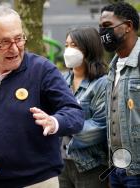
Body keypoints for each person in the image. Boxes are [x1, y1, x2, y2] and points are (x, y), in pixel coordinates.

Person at [0, 5, 84, 188]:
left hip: (37, 182)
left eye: (19, 39)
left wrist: (54, 122)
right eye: (4, 42)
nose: (14, 49)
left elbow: (75, 114)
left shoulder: (43, 70)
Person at [59, 27, 108, 188]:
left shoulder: (102, 83)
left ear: (89, 48)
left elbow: (100, 126)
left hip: (91, 165)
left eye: (74, 45)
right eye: (66, 45)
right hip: (62, 162)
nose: (68, 51)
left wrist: (60, 126)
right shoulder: (60, 81)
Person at [99, 2, 140, 187]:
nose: (102, 33)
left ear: (128, 26)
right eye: (101, 27)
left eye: (107, 26)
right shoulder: (113, 67)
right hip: (116, 169)